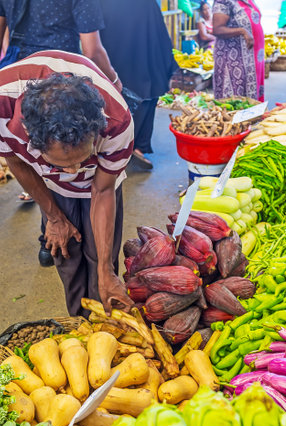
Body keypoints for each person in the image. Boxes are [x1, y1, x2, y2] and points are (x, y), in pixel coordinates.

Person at [0, 50, 135, 317]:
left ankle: (104, 325)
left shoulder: (117, 121)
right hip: (48, 184)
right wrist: (53, 216)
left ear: (96, 130)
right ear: (30, 137)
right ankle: (80, 323)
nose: (73, 172)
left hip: (101, 181)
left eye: (80, 158)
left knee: (101, 259)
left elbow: (102, 189)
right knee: (66, 253)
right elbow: (17, 162)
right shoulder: (3, 105)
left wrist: (106, 271)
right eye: (63, 164)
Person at [0, 0, 122, 267]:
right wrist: (112, 80)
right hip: (70, 82)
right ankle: (57, 229)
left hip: (21, 76)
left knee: (48, 165)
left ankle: (49, 238)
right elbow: (92, 49)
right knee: (68, 165)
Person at [98, 0, 178, 170]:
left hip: (115, 55)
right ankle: (137, 146)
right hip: (141, 53)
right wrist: (167, 65)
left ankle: (118, 149)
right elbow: (159, 33)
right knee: (146, 92)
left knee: (117, 98)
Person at [212, 0, 264, 102]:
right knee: (235, 100)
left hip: (253, 58)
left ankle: (252, 116)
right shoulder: (224, 1)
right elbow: (217, 29)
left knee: (252, 97)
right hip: (234, 59)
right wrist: (242, 31)